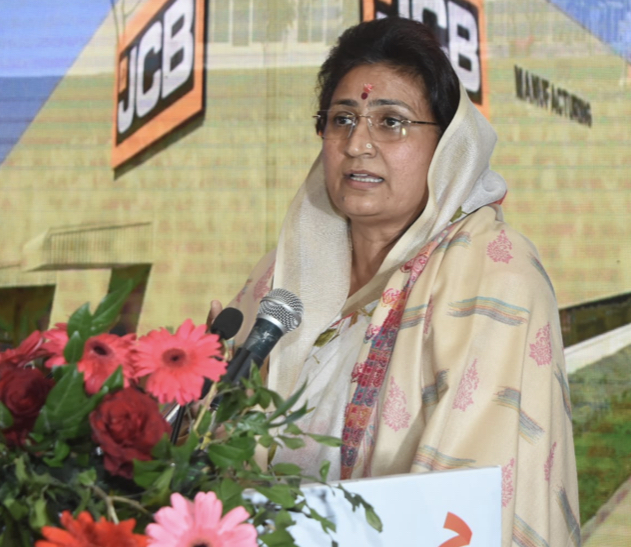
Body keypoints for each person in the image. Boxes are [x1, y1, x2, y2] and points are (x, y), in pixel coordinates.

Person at [212, 17, 580, 546]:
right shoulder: (280, 278)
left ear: (448, 146)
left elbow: (475, 495)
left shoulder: (496, 275)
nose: (357, 143)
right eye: (342, 119)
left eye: (391, 121)